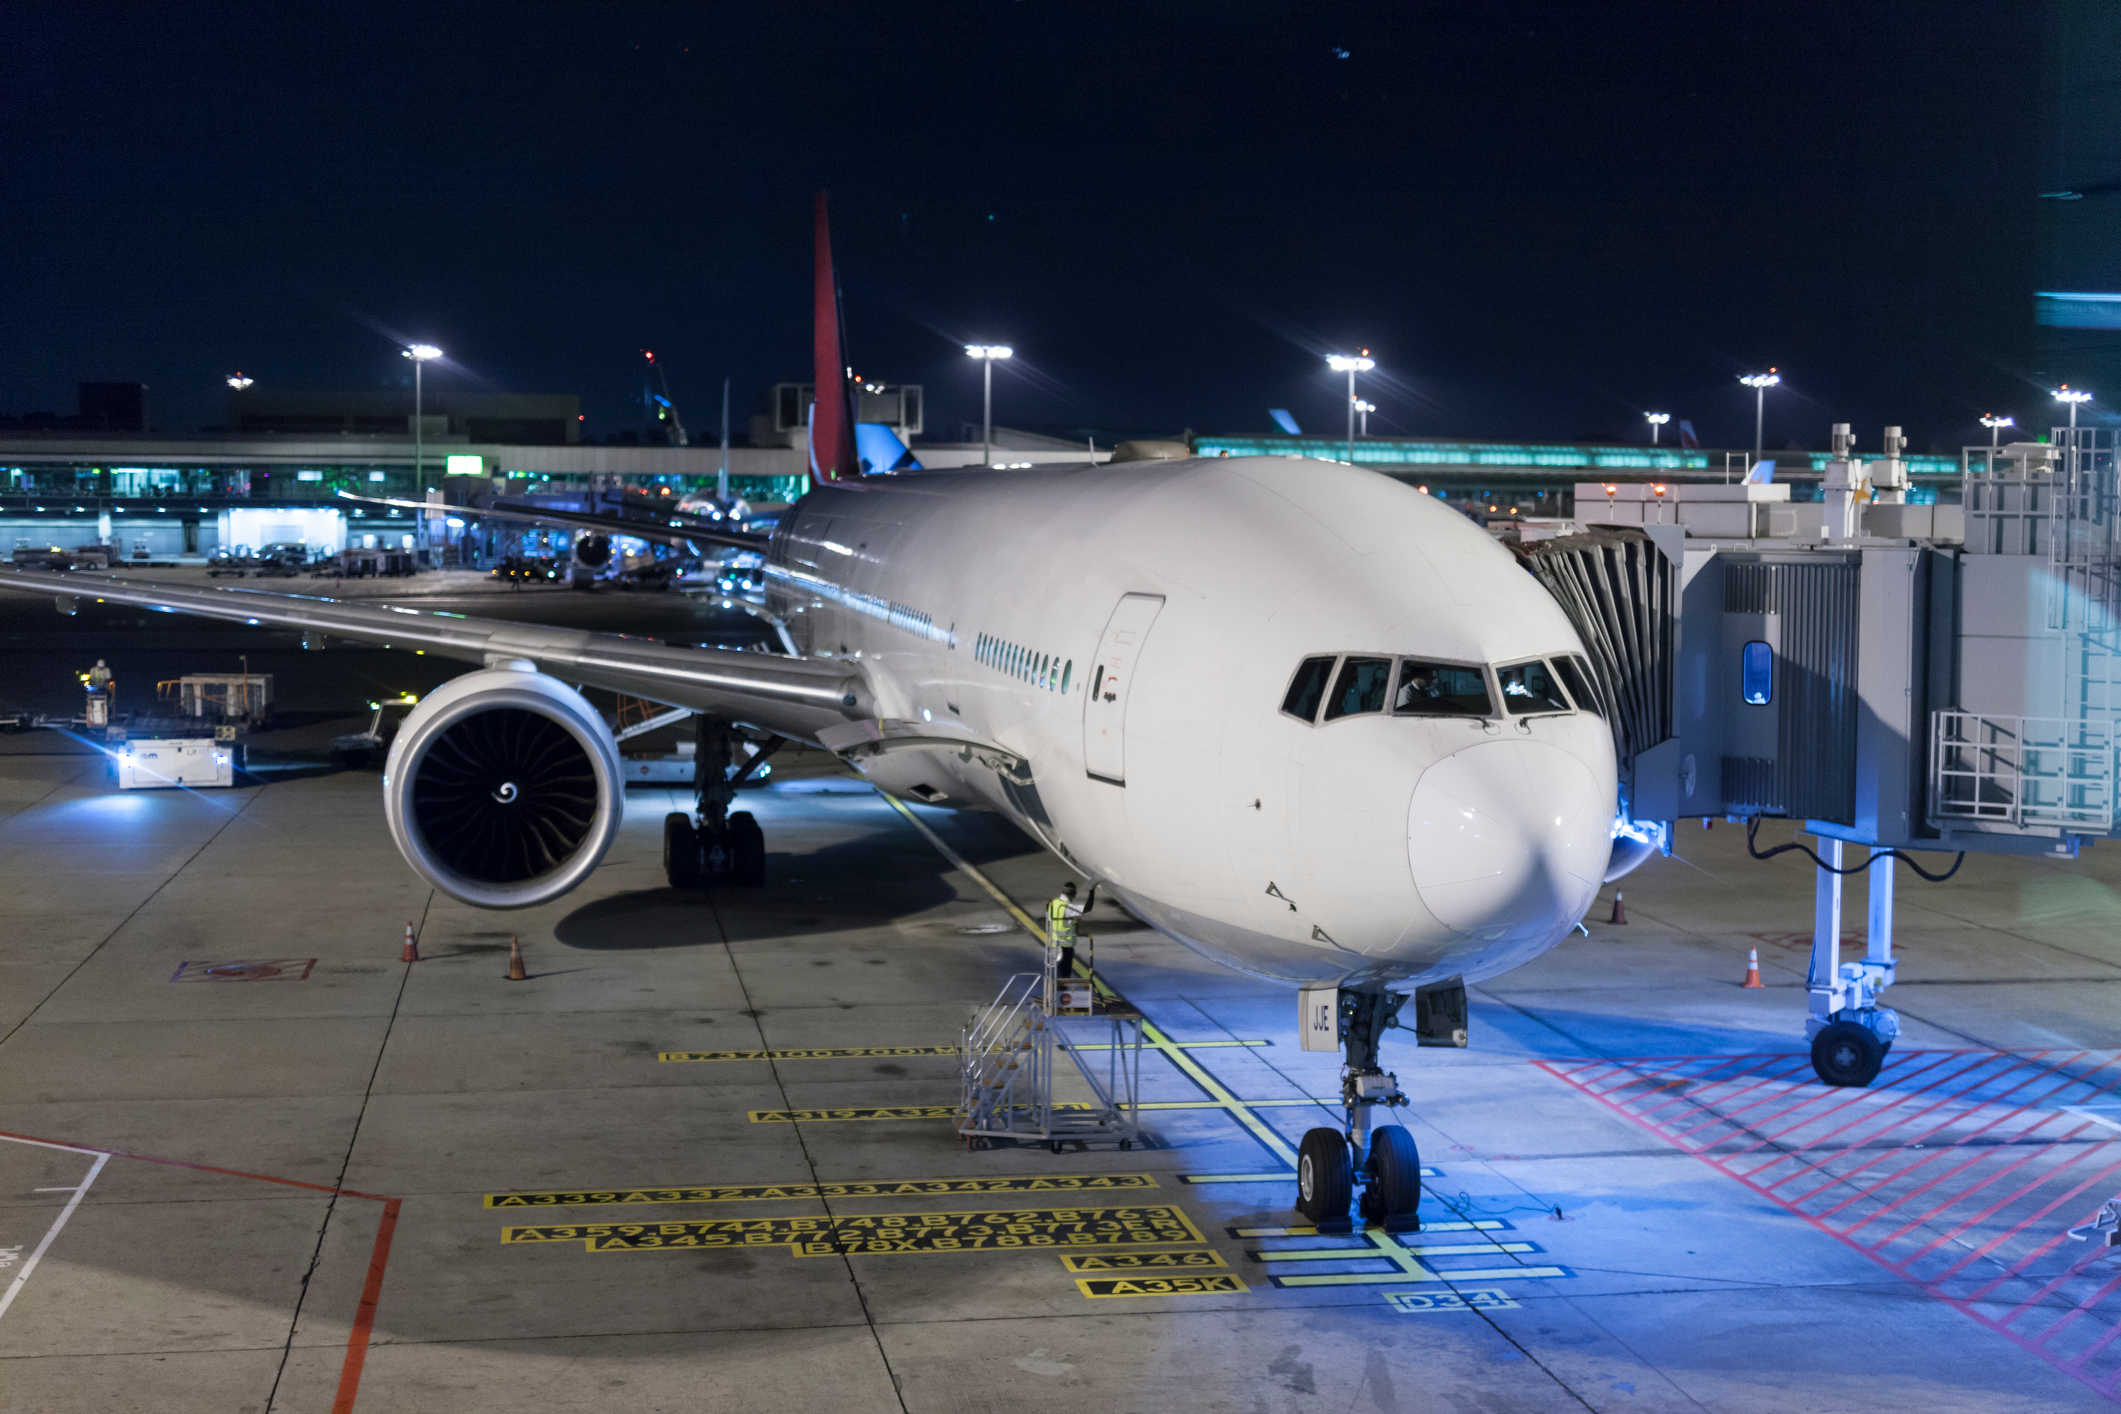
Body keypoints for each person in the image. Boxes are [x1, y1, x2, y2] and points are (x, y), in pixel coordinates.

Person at [1045, 880, 1096, 977]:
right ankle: (1063, 990)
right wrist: (1091, 891)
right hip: (1065, 946)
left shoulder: (1054, 903)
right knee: (1064, 976)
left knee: (1057, 974)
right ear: (1073, 894)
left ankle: (1059, 989)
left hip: (1054, 944)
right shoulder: (1067, 907)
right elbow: (1087, 908)